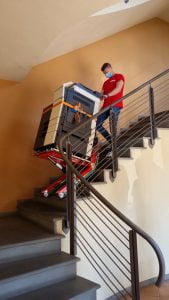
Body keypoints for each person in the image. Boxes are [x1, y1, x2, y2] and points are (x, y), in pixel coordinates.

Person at [96, 63, 125, 144]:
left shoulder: (119, 76)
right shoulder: (105, 83)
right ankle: (112, 142)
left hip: (115, 105)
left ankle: (114, 146)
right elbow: (101, 95)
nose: (106, 74)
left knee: (112, 126)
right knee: (98, 125)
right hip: (105, 106)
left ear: (110, 68)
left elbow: (118, 88)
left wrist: (108, 95)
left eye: (106, 72)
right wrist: (98, 96)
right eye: (104, 73)